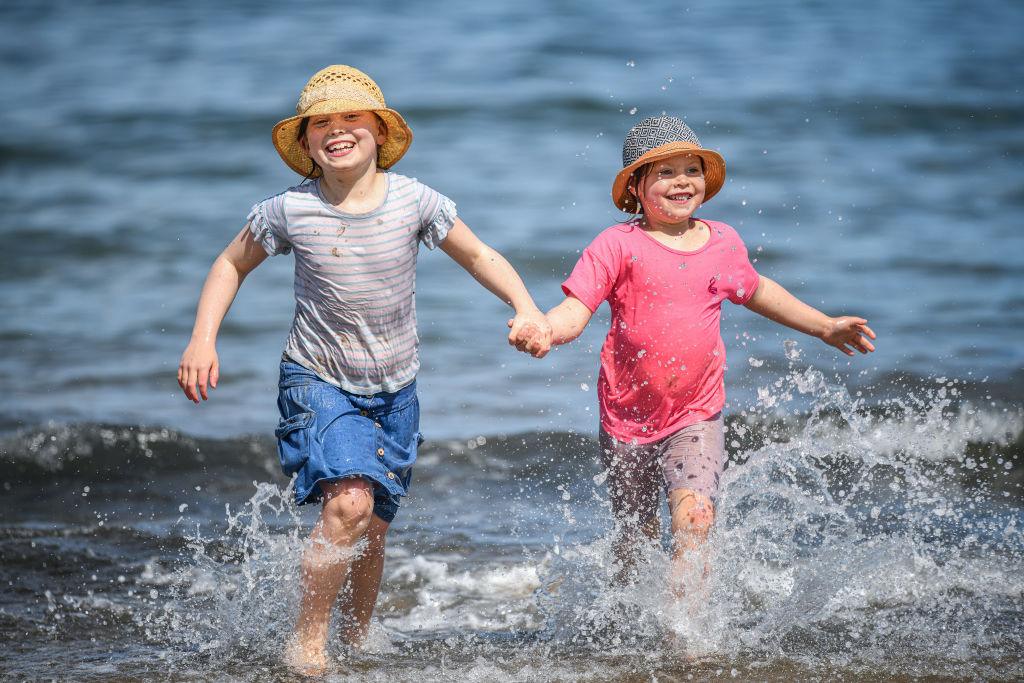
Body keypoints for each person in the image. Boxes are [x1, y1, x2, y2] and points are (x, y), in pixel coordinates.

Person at [177, 65, 552, 672]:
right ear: (305, 144)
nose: (338, 130)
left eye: (352, 118)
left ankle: (357, 641)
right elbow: (229, 264)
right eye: (321, 123)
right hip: (317, 376)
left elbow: (479, 254)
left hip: (396, 387)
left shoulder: (416, 201)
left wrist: (526, 306)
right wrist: (202, 338)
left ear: (380, 131)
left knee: (372, 525)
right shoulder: (288, 211)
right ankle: (307, 642)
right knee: (348, 506)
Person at [512, 115, 875, 596]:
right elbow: (576, 310)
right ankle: (626, 626)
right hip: (625, 417)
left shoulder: (721, 242)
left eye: (692, 169)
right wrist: (543, 330)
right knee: (635, 540)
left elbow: (760, 290)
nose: (682, 181)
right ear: (636, 187)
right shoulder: (617, 244)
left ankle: (687, 638)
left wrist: (824, 325)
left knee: (696, 520)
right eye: (664, 172)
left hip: (695, 413)